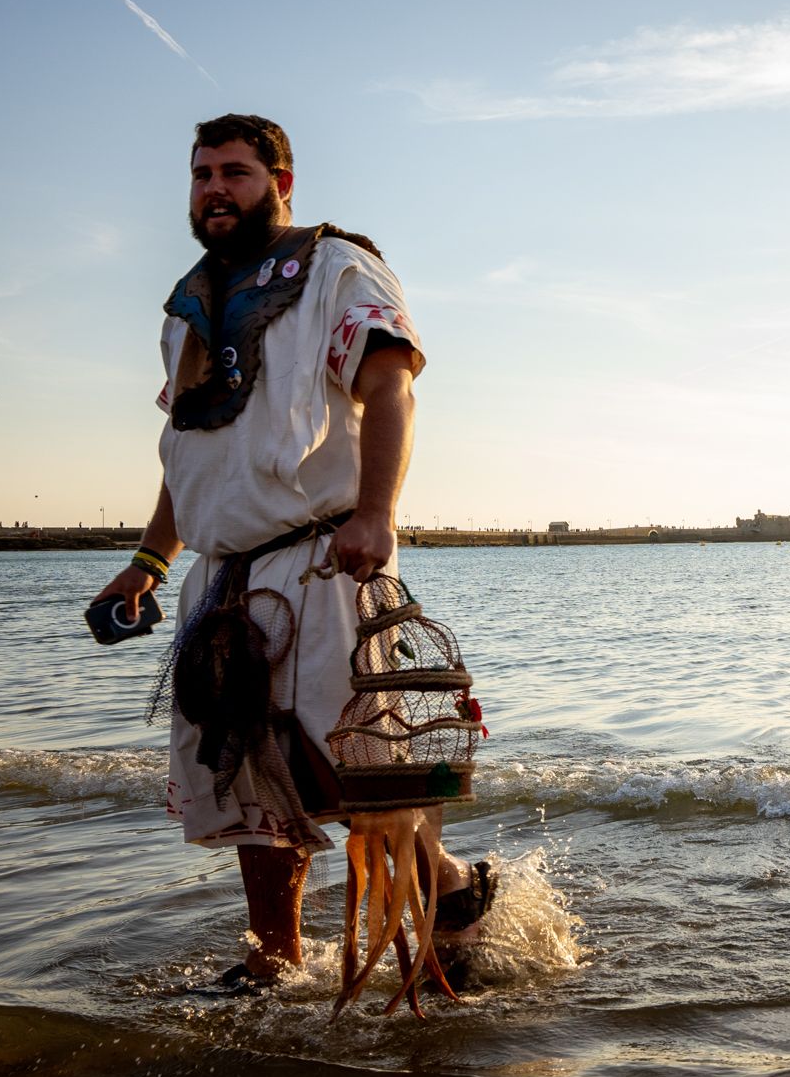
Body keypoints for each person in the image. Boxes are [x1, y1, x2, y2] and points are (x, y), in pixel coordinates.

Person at [90, 114, 491, 988]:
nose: (213, 189)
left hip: (323, 556)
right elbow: (187, 448)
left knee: (350, 774)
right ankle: (272, 961)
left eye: (234, 172)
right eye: (200, 174)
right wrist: (150, 562)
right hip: (220, 578)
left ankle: (448, 893)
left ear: (282, 182)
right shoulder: (189, 305)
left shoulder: (335, 269)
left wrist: (377, 513)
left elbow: (389, 383)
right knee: (243, 781)